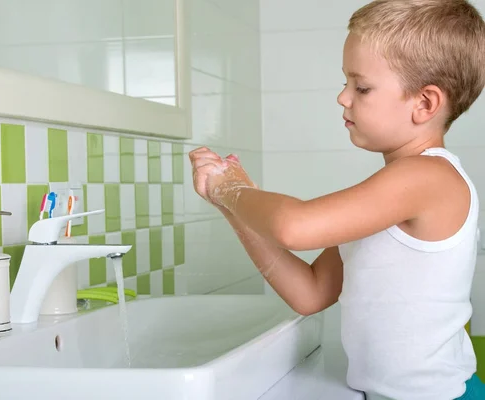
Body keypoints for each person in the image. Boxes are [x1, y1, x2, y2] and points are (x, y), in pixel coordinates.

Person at [189, 1, 485, 399]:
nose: (343, 97)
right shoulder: (391, 193)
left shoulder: (430, 176)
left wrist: (234, 189)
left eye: (361, 86)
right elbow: (310, 293)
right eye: (346, 82)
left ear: (425, 104)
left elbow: (295, 227)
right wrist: (229, 204)